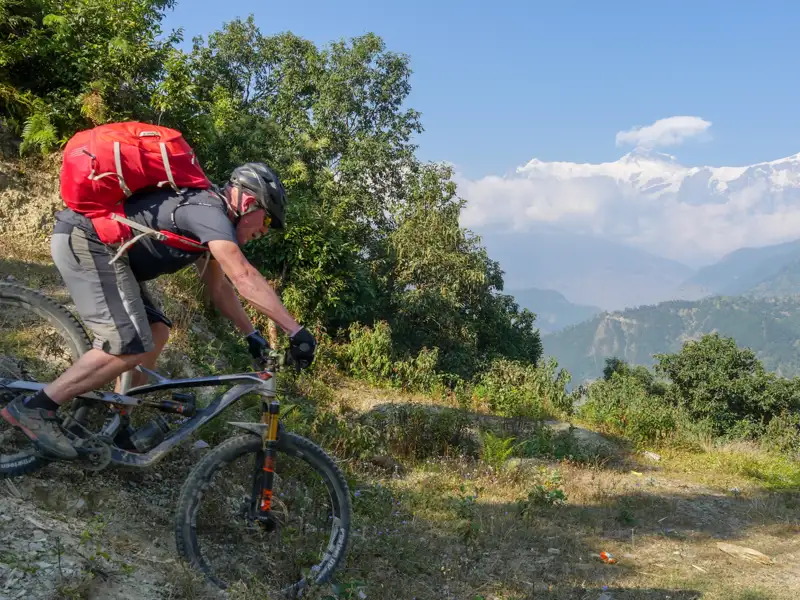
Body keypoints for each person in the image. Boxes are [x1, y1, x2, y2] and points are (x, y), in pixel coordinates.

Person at [1, 162, 316, 460]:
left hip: (110, 257)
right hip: (86, 241)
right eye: (267, 220)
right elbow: (244, 276)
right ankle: (36, 407)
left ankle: (118, 425)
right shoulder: (208, 210)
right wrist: (296, 330)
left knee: (156, 331)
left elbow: (219, 288)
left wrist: (252, 335)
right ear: (248, 202)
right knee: (127, 345)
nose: (265, 230)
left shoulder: (209, 219)